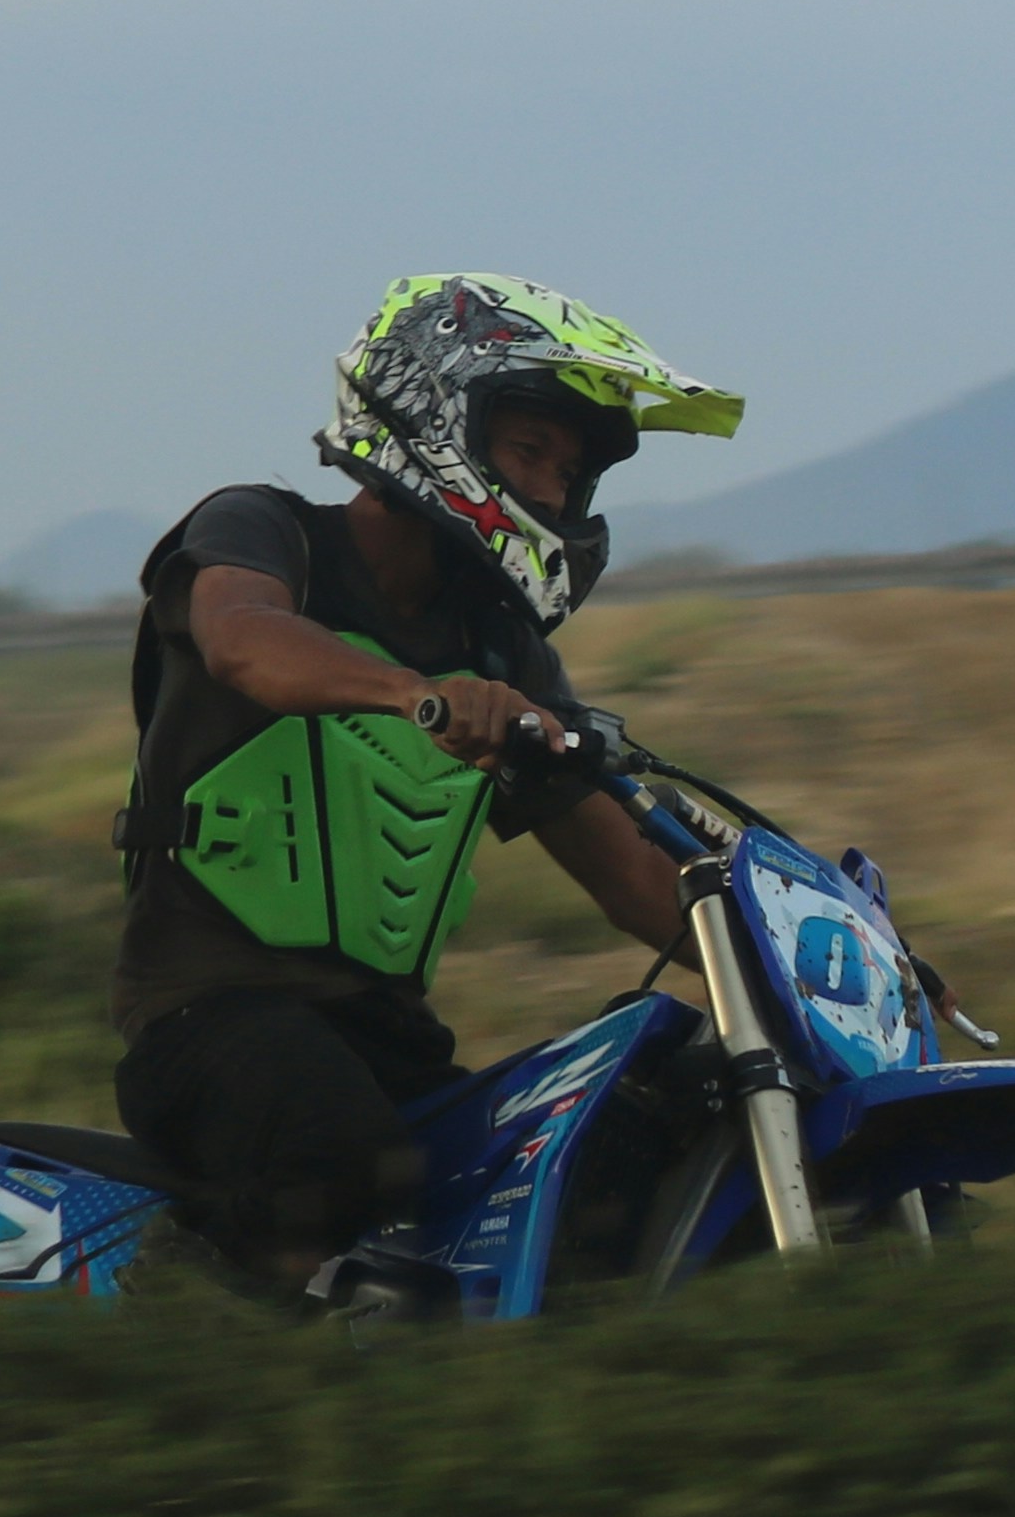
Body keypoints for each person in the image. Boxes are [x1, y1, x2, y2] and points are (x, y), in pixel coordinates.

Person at [109, 273, 742, 1287]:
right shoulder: (267, 532)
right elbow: (242, 640)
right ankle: (184, 1308)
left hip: (388, 1042)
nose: (551, 494)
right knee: (345, 1156)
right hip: (207, 1016)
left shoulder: (500, 647)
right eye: (529, 451)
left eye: (568, 472)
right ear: (431, 410)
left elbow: (631, 876)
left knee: (606, 1154)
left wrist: (816, 980)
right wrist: (419, 695)